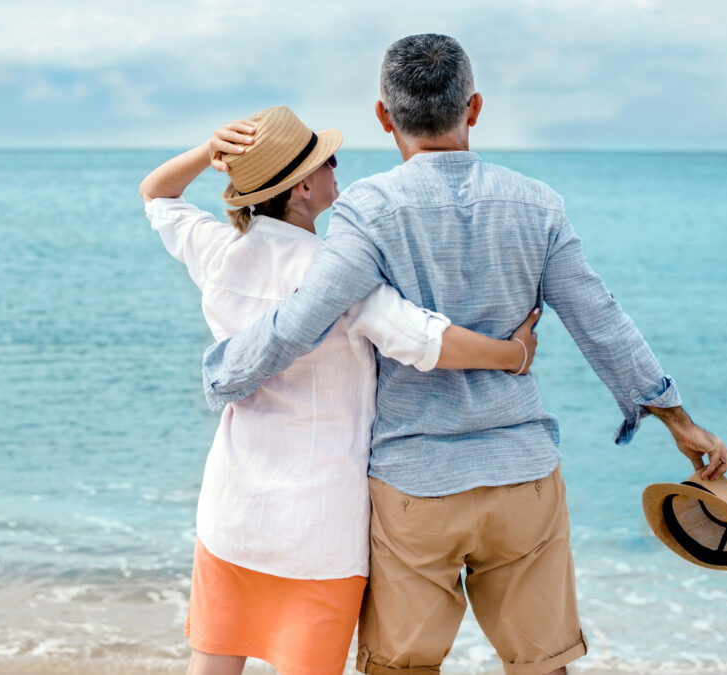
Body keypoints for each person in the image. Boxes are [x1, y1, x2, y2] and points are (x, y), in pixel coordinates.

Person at [200, 35, 727, 675]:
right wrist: (675, 416)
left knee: (401, 667)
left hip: (413, 486)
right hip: (522, 476)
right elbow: (599, 316)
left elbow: (301, 322)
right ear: (474, 107)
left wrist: (226, 373)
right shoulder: (537, 204)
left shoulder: (366, 210)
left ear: (383, 117)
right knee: (543, 664)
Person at [139, 105, 540, 675]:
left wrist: (210, 153)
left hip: (233, 513)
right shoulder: (338, 273)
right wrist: (513, 354)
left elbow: (157, 195)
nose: (336, 169)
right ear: (304, 187)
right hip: (319, 529)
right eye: (330, 161)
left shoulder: (220, 254)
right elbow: (426, 341)